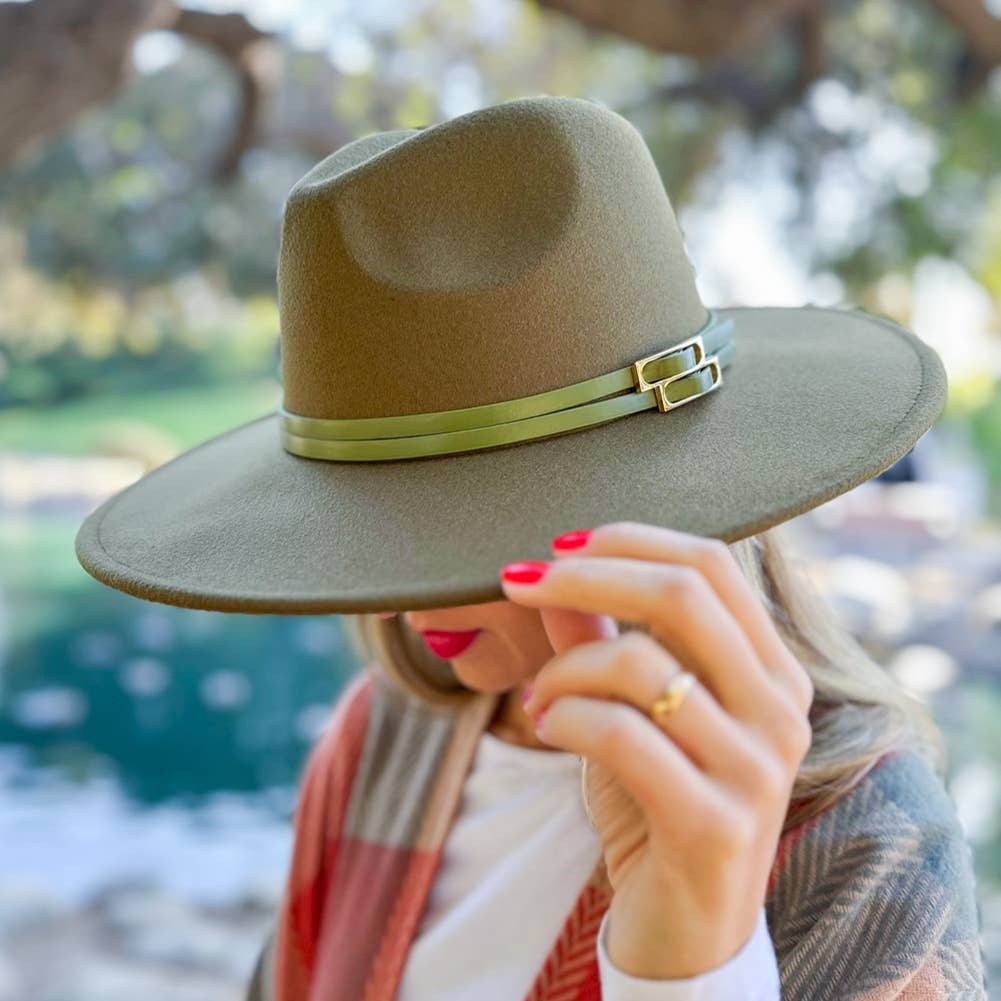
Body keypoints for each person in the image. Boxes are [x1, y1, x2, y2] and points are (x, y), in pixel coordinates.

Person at [74, 95, 988, 1000]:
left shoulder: (870, 855)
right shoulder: (382, 734)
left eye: (469, 526)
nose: (398, 600)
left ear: (667, 494)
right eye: (368, 535)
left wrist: (692, 966)